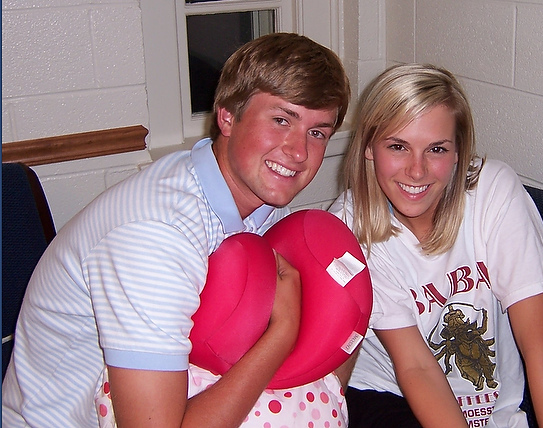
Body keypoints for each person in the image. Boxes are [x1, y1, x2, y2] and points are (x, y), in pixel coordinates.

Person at [2, 32, 351, 428]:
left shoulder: (252, 197)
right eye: (281, 120)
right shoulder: (156, 235)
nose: (299, 151)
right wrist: (283, 331)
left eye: (317, 132)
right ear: (227, 117)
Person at [329, 63, 543, 428]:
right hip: (389, 395)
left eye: (436, 149)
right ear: (369, 147)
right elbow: (415, 367)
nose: (417, 171)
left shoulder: (493, 192)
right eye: (398, 146)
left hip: (492, 408)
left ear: (460, 151)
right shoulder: (350, 229)